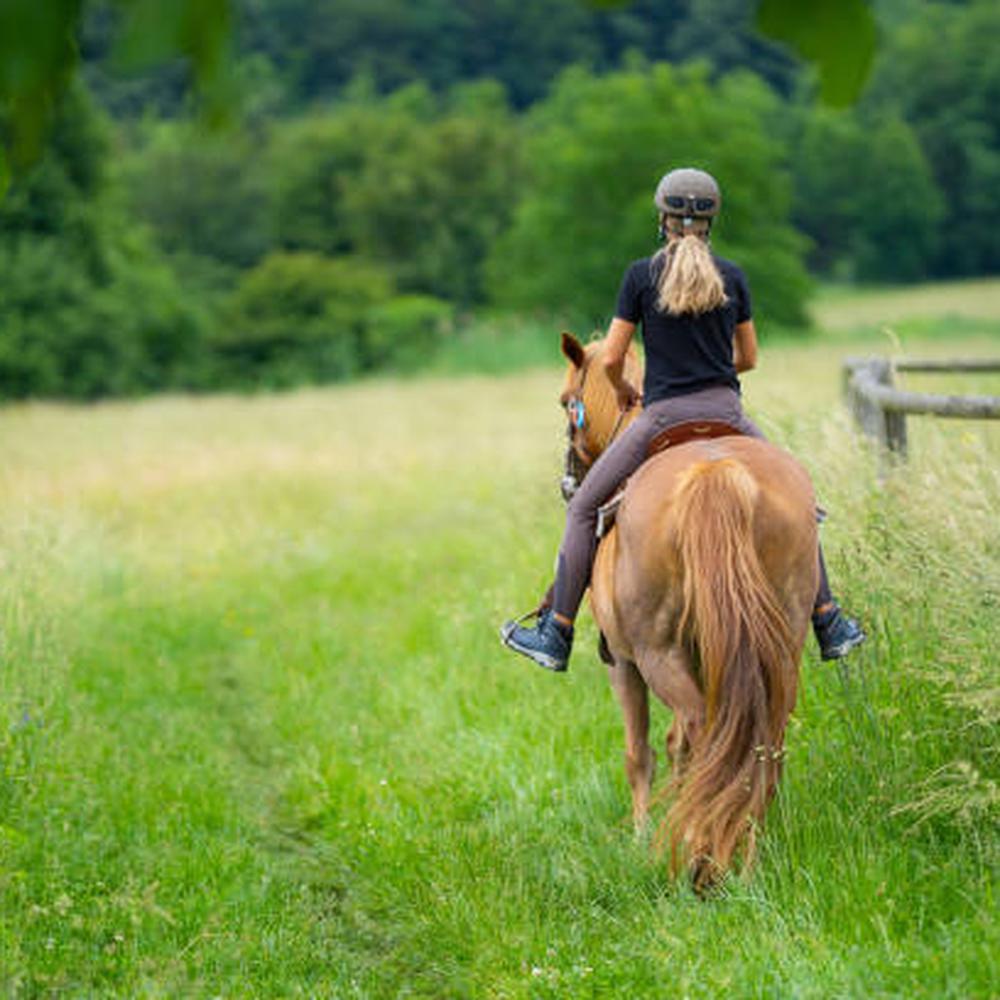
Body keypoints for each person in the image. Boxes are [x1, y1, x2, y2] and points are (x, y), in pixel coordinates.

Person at [500, 167, 865, 673]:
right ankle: (829, 619)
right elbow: (750, 357)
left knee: (584, 508)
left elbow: (608, 360)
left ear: (663, 220)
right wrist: (714, 372)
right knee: (801, 500)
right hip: (728, 412)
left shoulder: (639, 276)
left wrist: (632, 390)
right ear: (710, 222)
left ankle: (555, 631)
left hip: (662, 416)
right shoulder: (732, 276)